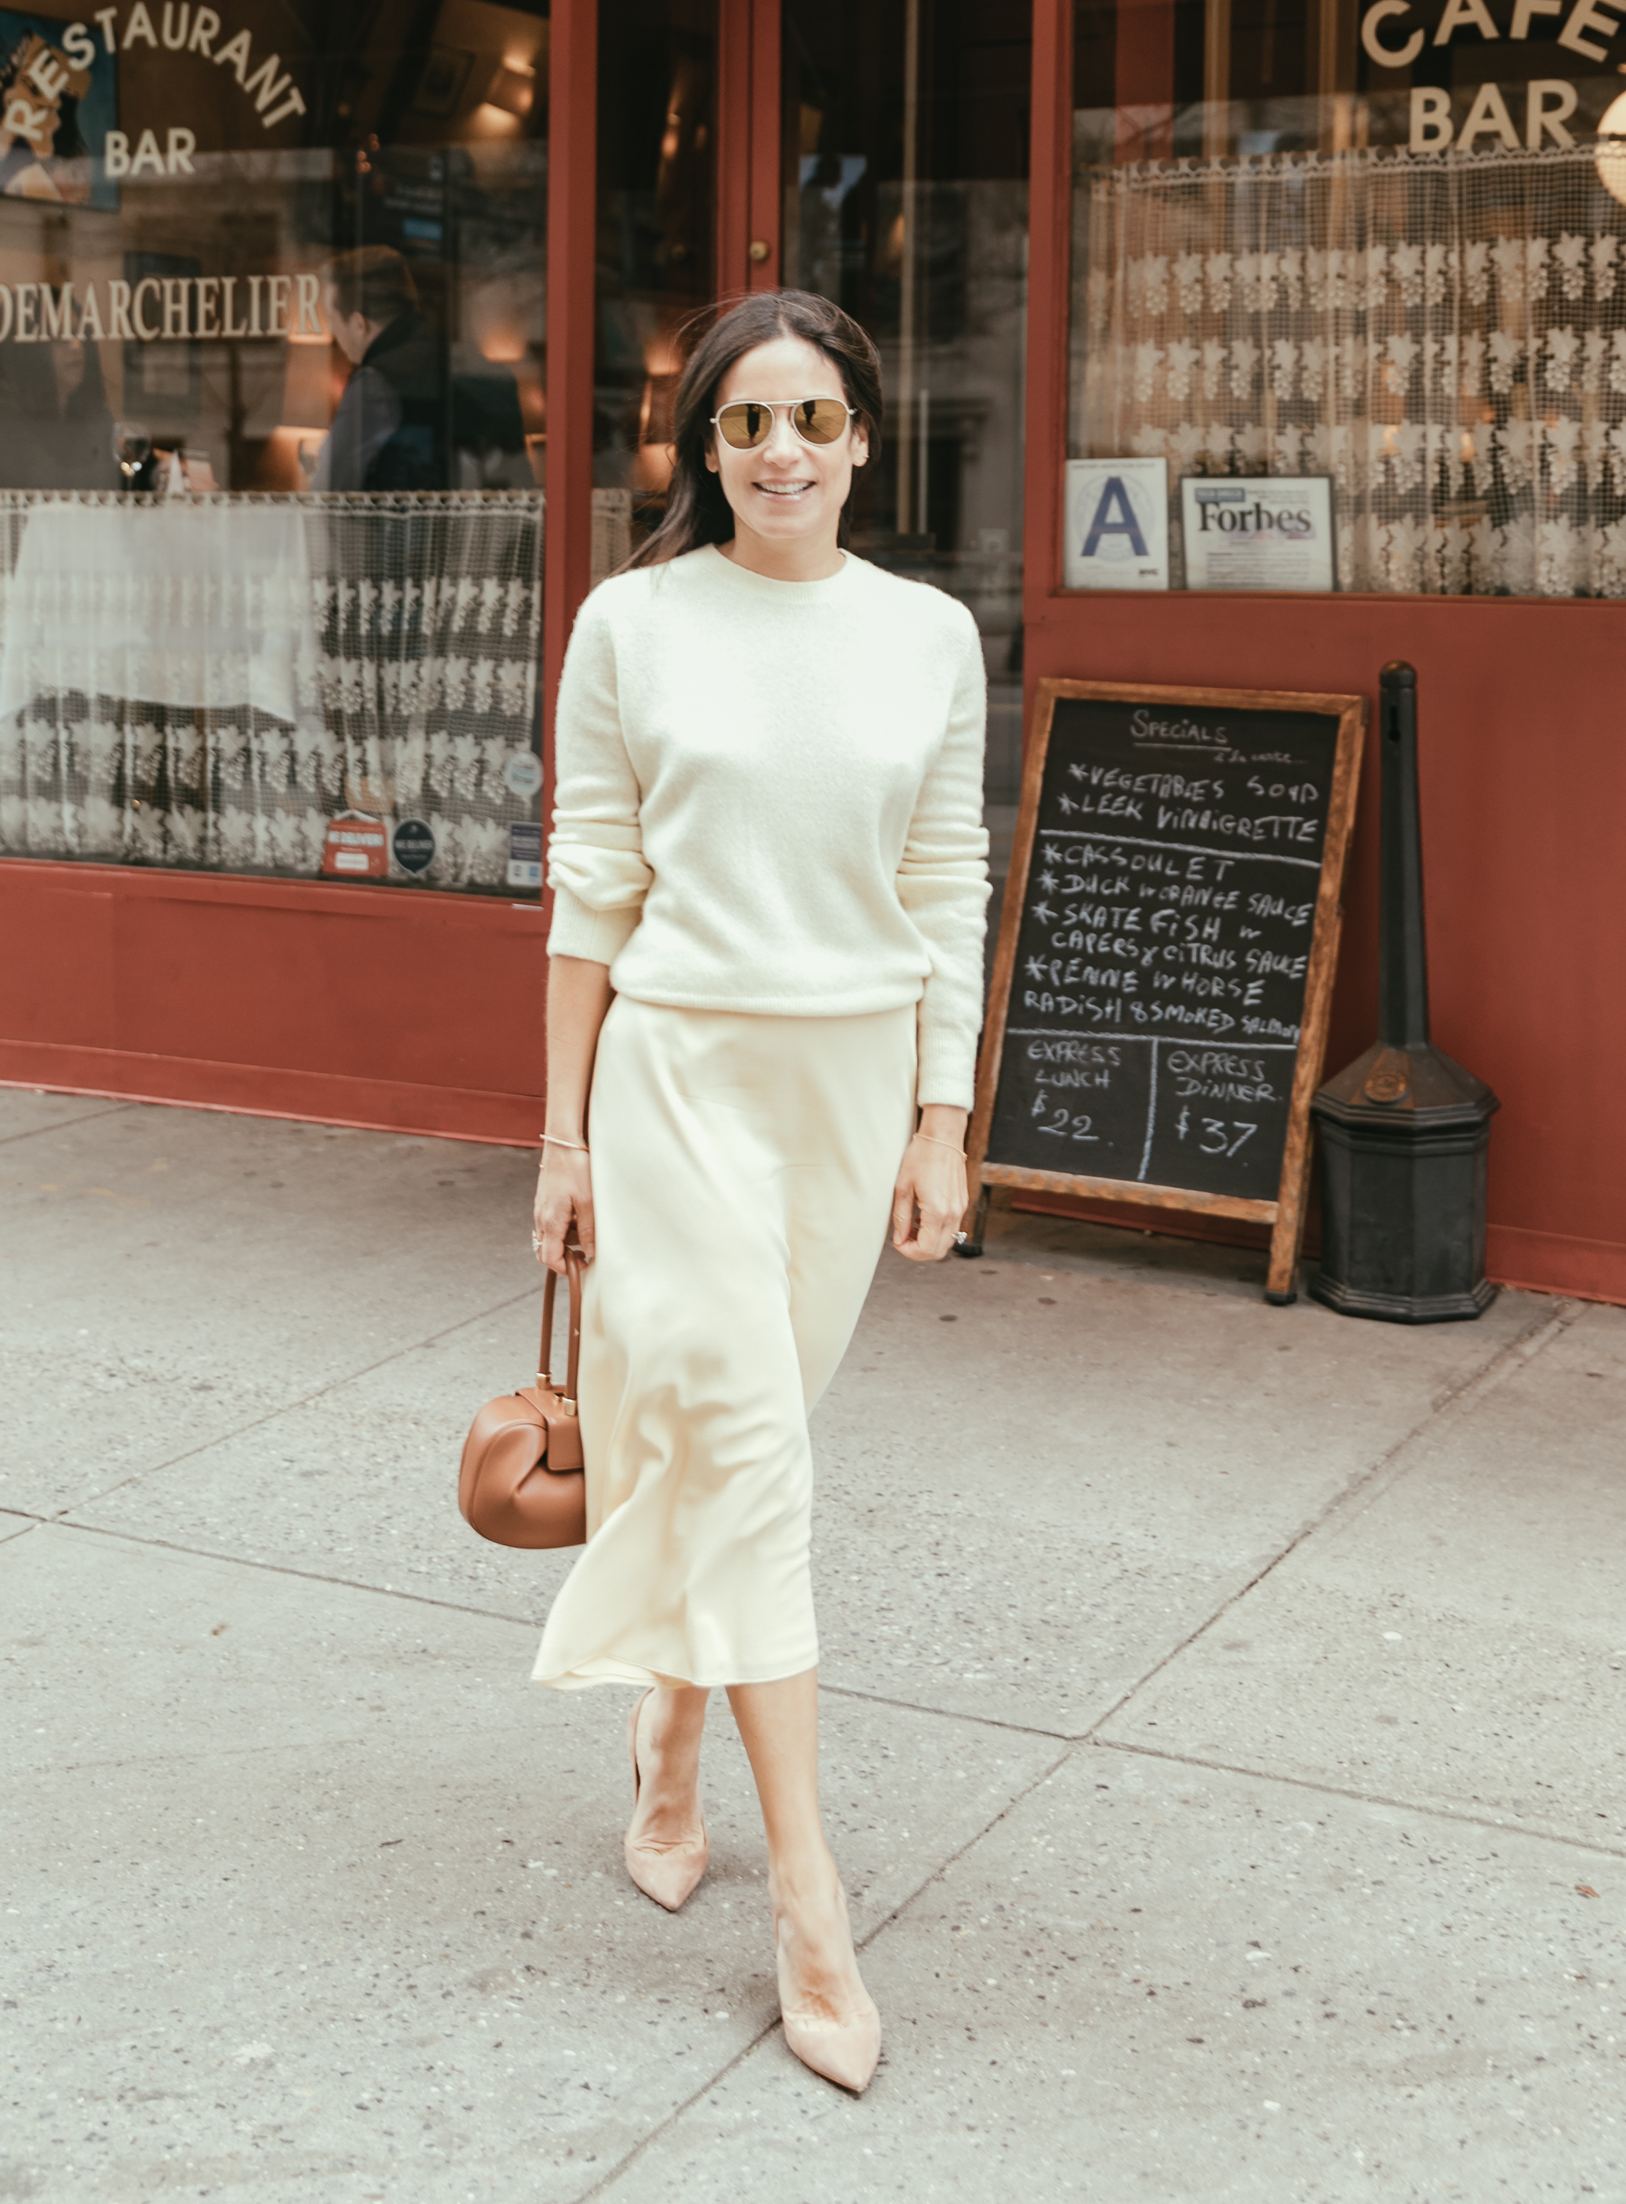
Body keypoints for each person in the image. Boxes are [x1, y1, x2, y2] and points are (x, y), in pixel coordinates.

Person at [530, 289, 988, 2097]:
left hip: (845, 1083)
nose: (780, 450)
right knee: (751, 1451)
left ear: (864, 439)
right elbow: (592, 885)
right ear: (701, 450)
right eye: (743, 424)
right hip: (677, 1087)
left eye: (812, 418)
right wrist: (561, 1139)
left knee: (747, 1445)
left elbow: (946, 874)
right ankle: (811, 1899)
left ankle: (670, 1726)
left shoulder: (929, 635)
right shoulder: (632, 622)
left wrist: (942, 1118)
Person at [317, 245, 525, 490]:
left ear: (358, 324)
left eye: (332, 316)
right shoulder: (484, 371)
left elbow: (331, 490)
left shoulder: (375, 384)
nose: (331, 329)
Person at [0, 331, 116, 489]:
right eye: (58, 338)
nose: (76, 346)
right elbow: (51, 487)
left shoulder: (89, 417)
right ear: (22, 351)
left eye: (80, 335)